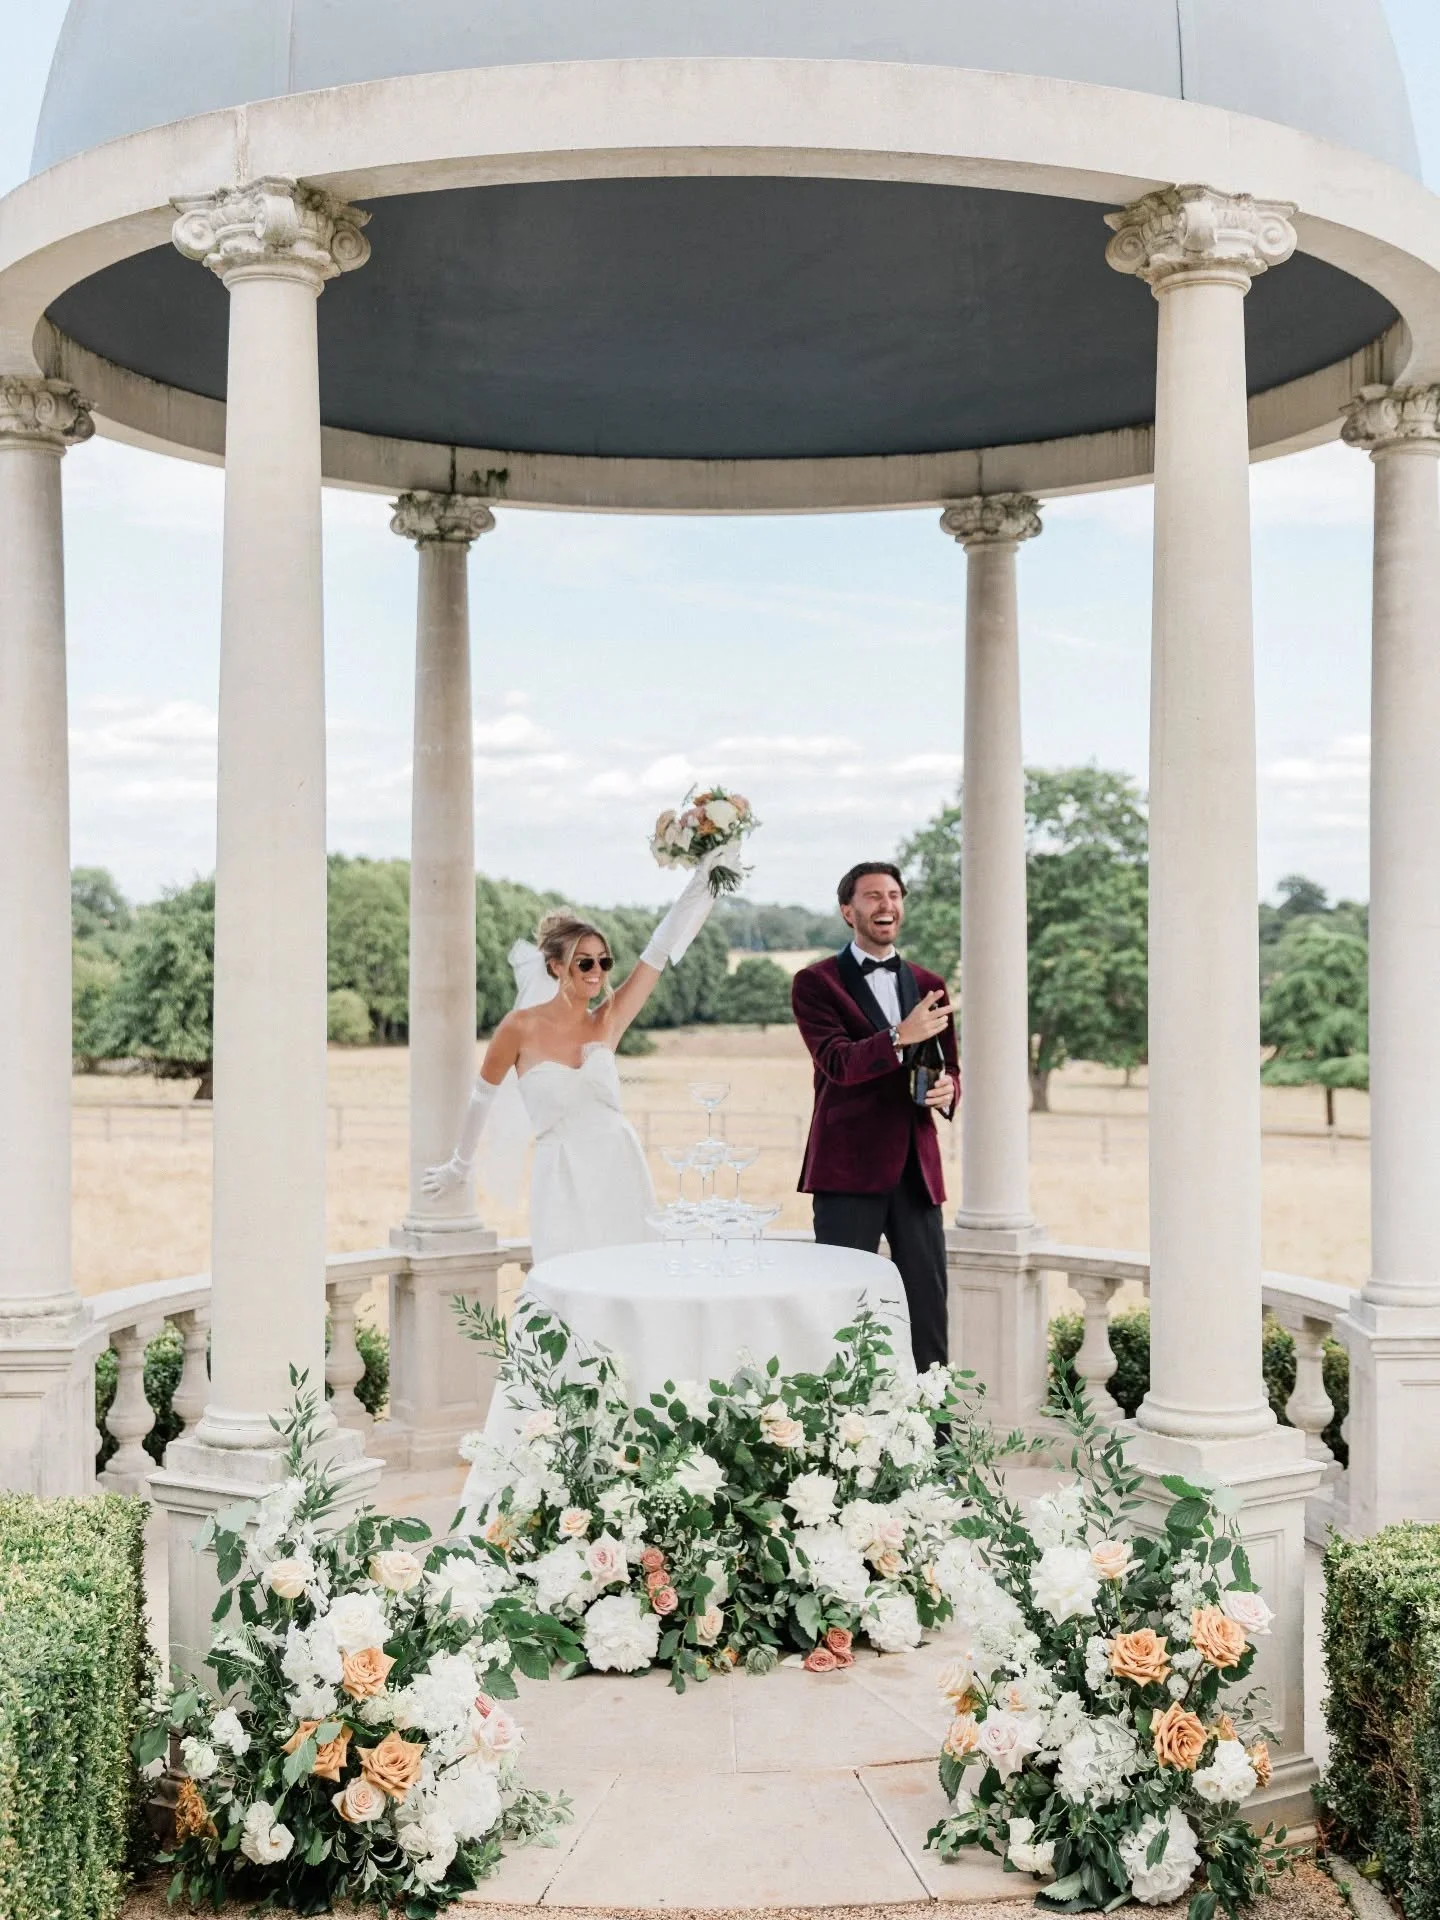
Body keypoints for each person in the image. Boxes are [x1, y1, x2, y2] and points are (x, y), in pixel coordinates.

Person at [423, 855, 722, 1263]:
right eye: (585, 962)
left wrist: (701, 882)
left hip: (619, 1165)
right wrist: (459, 1166)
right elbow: (481, 1096)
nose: (597, 970)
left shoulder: (609, 1020)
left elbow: (659, 949)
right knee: (566, 1279)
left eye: (603, 960)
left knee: (632, 1271)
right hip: (561, 1175)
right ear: (555, 966)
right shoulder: (519, 1028)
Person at [791, 861, 958, 1372]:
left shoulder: (930, 984)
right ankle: (839, 1441)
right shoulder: (815, 983)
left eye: (893, 894)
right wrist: (895, 1037)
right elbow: (837, 1063)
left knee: (928, 1314)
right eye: (872, 896)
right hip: (846, 1171)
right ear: (849, 911)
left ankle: (938, 1444)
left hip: (916, 1172)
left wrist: (950, 1090)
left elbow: (948, 1065)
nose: (886, 904)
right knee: (842, 1311)